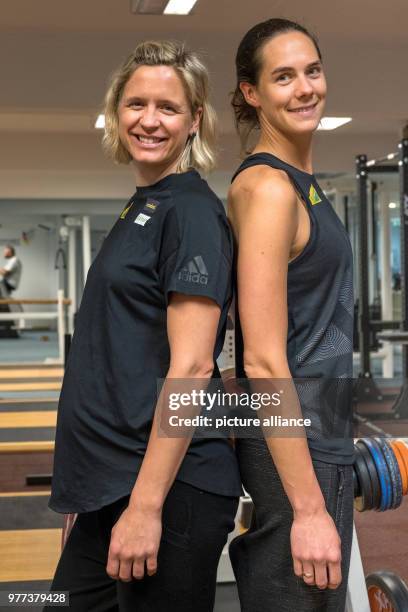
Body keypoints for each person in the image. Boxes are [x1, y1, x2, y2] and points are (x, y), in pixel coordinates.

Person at [46, 40, 241, 612]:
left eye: (168, 108)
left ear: (194, 120)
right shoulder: (144, 204)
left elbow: (193, 366)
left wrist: (147, 506)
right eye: (136, 104)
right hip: (112, 486)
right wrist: (89, 494)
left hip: (169, 489)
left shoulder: (191, 211)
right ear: (116, 110)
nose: (149, 121)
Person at [228, 19, 354, 612]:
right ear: (252, 94)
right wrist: (307, 507)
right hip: (294, 436)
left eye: (312, 70)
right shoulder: (269, 188)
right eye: (283, 76)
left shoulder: (301, 183)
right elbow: (260, 355)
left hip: (318, 430)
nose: (305, 88)